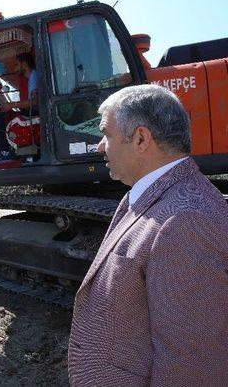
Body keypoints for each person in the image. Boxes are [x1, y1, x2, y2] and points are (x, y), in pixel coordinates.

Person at [68, 84, 228, 385]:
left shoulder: (186, 220)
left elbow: (191, 366)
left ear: (141, 139)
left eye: (107, 134)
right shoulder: (144, 196)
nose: (100, 147)